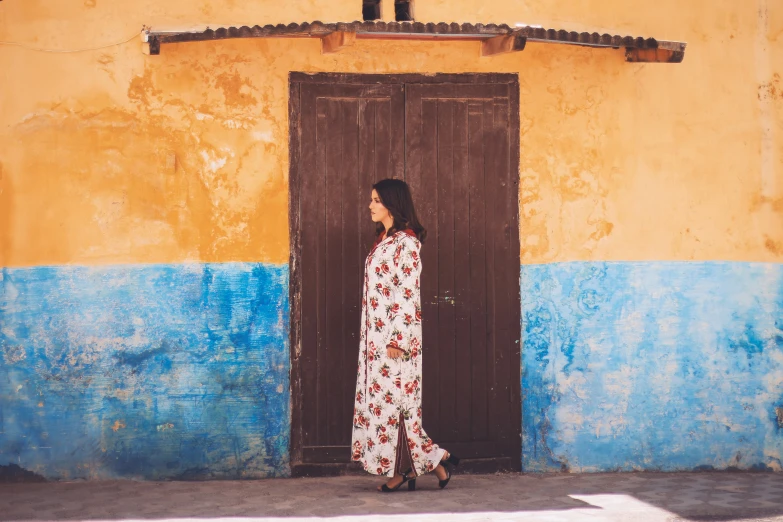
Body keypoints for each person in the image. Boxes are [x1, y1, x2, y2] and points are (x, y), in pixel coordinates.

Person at [351, 178, 460, 492]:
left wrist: (397, 338)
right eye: (371, 200)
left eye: (376, 200)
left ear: (391, 203)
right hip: (376, 341)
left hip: (396, 342)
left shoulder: (406, 243)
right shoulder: (383, 240)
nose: (370, 205)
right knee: (388, 405)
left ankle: (404, 470)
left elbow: (407, 293)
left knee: (398, 405)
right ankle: (436, 462)